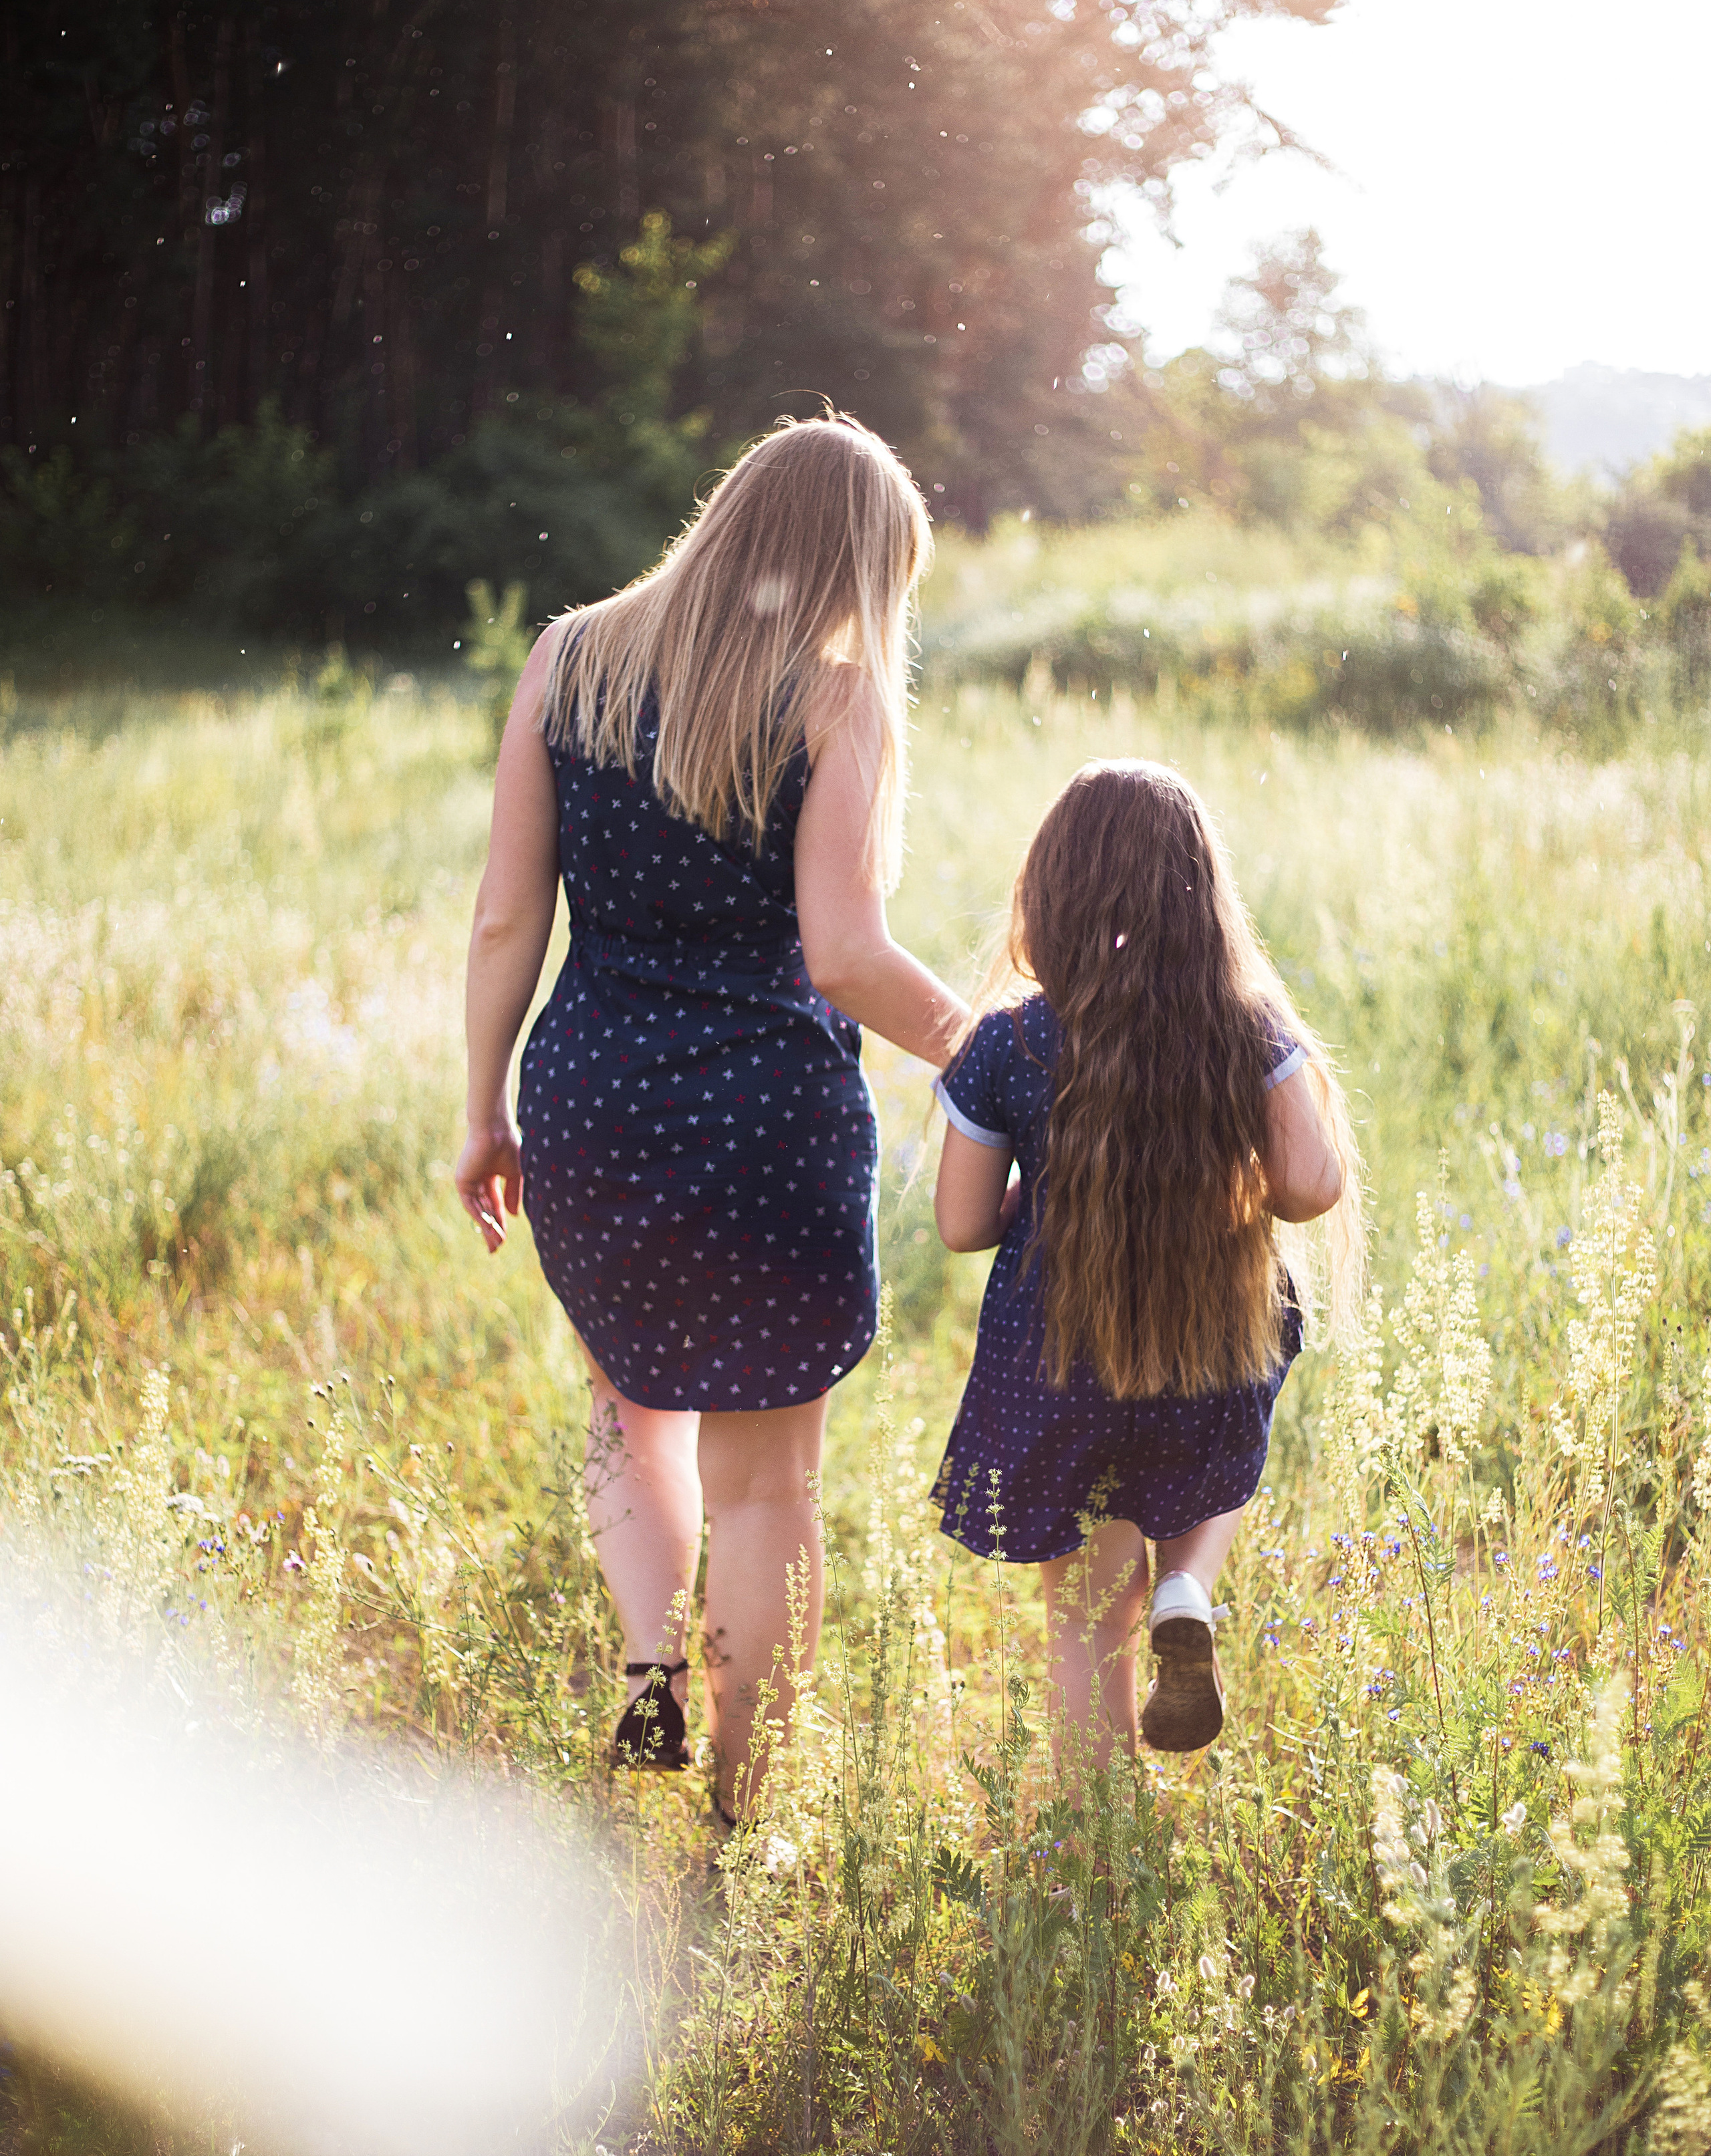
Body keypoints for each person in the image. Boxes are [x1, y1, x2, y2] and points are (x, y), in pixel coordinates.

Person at [454, 416, 966, 1821]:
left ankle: (643, 1674)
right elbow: (846, 956)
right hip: (765, 1123)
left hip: (594, 1103)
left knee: (632, 1415)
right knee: (765, 1489)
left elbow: (508, 913)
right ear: (853, 564)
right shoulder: (832, 699)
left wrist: (481, 1108)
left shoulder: (571, 658)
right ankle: (742, 1815)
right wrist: (984, 1055)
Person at [930, 759, 1363, 1764]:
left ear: (1051, 889)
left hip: (1062, 1371)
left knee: (1087, 1624)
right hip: (1206, 1358)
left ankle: (1099, 1847)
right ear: (1202, 895)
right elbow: (1312, 1184)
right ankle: (1188, 1587)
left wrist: (1046, 1192)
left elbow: (959, 1223)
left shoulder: (1008, 1044)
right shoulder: (1247, 1026)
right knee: (1212, 1458)